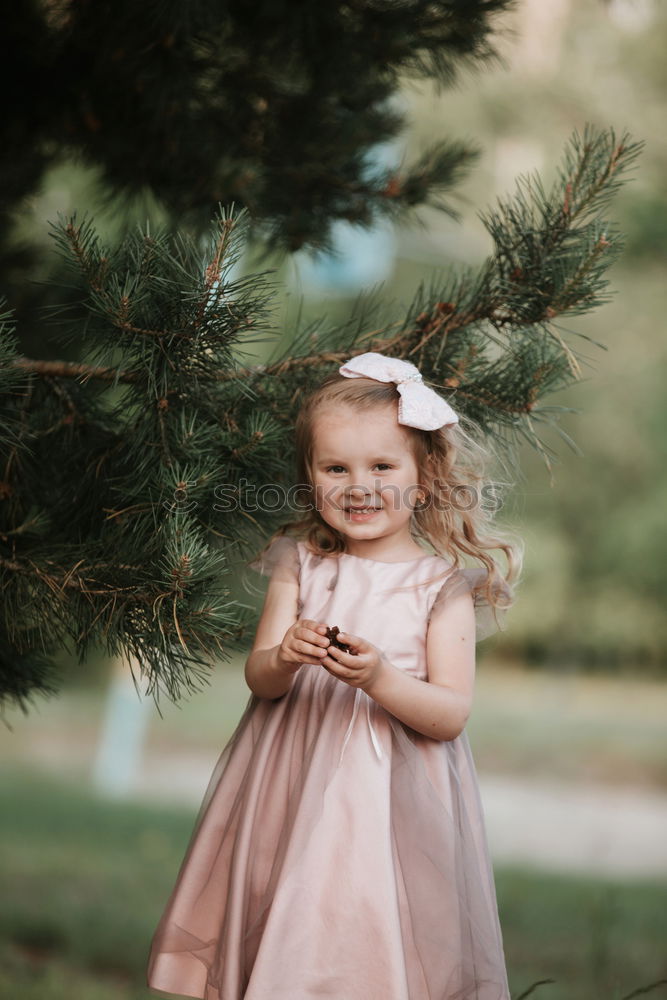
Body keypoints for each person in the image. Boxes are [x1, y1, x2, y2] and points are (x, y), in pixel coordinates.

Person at [146, 351, 523, 1000]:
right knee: (287, 906)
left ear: (424, 475)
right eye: (335, 468)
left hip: (387, 804)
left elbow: (449, 714)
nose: (358, 486)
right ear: (310, 476)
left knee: (364, 927)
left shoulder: (440, 588)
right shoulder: (300, 566)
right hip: (290, 782)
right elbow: (260, 680)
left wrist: (378, 676)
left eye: (381, 467)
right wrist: (286, 655)